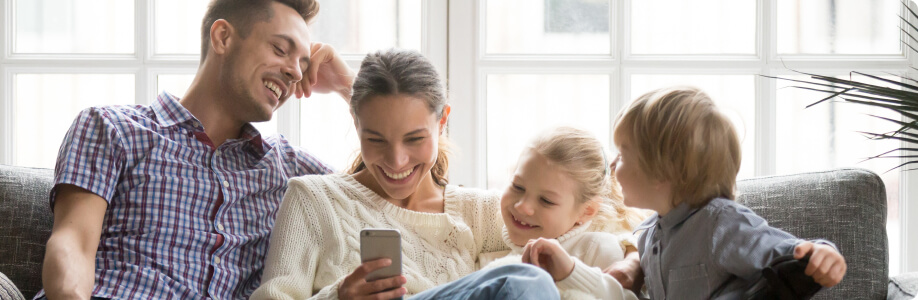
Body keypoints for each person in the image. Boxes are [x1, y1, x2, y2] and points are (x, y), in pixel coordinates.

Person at [38, 0, 356, 298]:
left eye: (303, 65)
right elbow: (73, 245)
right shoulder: (113, 128)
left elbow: (393, 184)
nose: (296, 73)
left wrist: (347, 86)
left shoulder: (288, 169)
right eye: (280, 49)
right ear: (222, 37)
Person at [251, 48, 562, 300]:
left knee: (530, 282)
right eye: (376, 140)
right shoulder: (314, 199)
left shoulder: (484, 213)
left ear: (442, 123)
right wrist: (339, 297)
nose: (397, 161)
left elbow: (579, 232)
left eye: (414, 139)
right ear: (355, 124)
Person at [610, 86, 848, 299]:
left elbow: (787, 254)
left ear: (660, 171)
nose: (612, 165)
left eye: (622, 155)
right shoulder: (647, 233)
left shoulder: (720, 223)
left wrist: (823, 252)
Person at [478, 126, 647, 299]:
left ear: (586, 211)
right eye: (518, 186)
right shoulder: (492, 251)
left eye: (546, 201)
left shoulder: (597, 248)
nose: (523, 206)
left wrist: (572, 273)